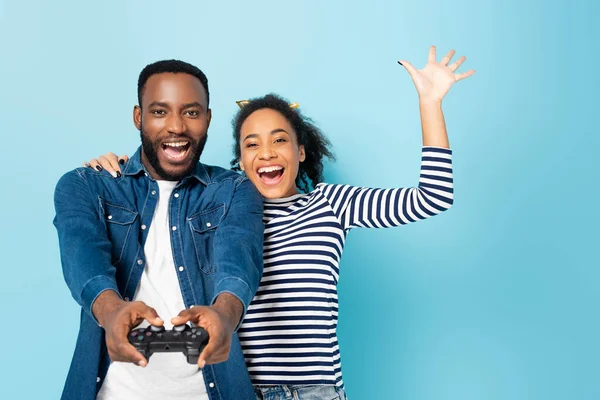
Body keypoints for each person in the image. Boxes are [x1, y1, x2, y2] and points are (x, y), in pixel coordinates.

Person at [86, 46, 474, 400]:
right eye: (252, 144)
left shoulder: (332, 203)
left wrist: (430, 103)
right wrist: (117, 168)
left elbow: (433, 197)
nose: (267, 153)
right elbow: (162, 191)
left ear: (301, 150)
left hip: (315, 392)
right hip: (235, 389)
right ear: (239, 161)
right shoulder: (217, 208)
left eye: (280, 140)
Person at [53, 60, 265, 400]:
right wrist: (111, 310)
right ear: (139, 117)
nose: (176, 127)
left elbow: (239, 260)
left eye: (192, 113)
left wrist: (226, 314)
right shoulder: (86, 186)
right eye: (160, 112)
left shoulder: (235, 191)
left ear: (208, 118)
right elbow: (84, 258)